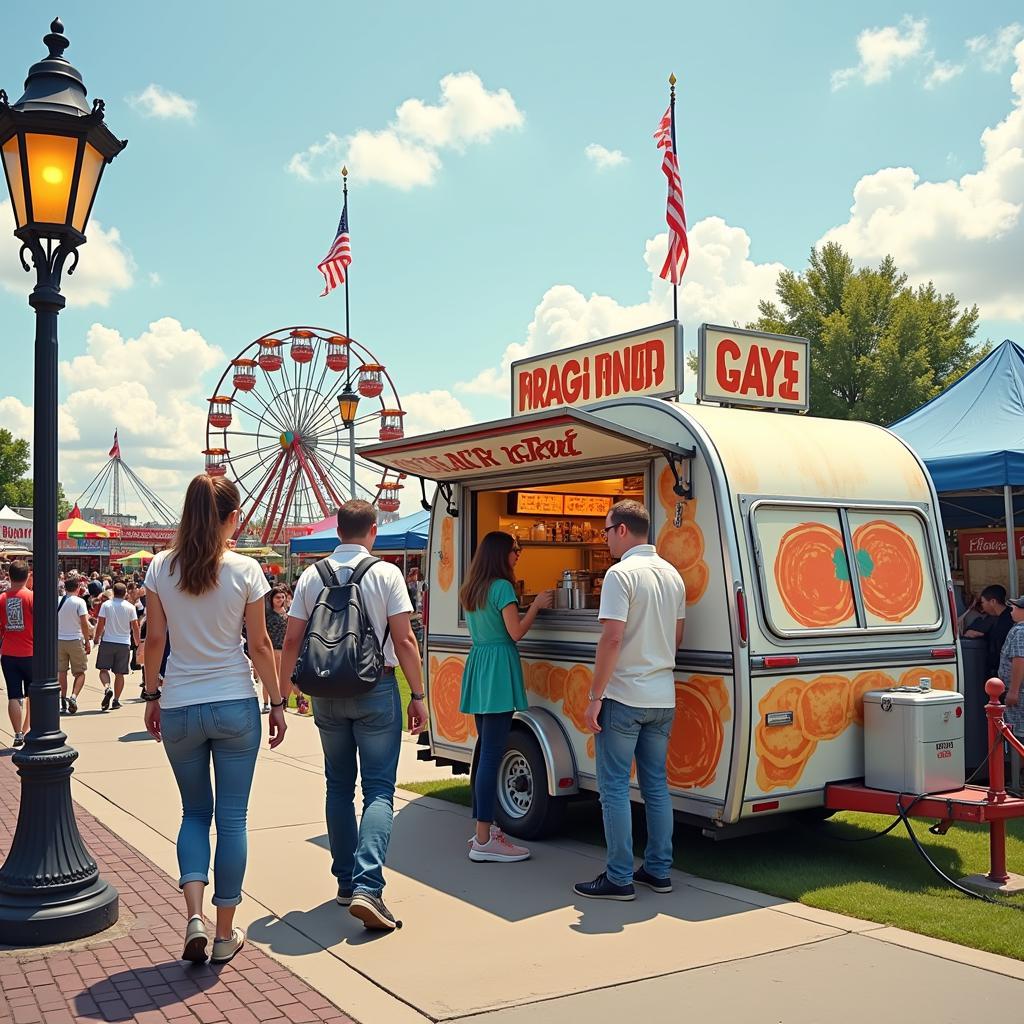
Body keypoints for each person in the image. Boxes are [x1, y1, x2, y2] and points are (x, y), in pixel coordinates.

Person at [143, 474, 286, 965]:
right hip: (233, 702)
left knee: (193, 814)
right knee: (232, 819)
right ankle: (225, 932)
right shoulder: (247, 570)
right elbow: (260, 644)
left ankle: (194, 917)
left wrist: (151, 694)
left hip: (181, 702)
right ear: (230, 518)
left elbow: (155, 642)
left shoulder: (161, 568)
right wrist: (278, 701)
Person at [281, 499, 427, 932]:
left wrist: (289, 688)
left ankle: (345, 881)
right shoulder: (386, 574)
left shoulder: (311, 575)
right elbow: (403, 641)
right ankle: (369, 885)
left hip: (326, 688)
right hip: (375, 685)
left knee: (338, 786)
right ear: (372, 532)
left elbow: (292, 638)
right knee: (379, 790)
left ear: (338, 531)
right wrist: (417, 693)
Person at [574, 500, 686, 901]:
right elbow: (676, 638)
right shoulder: (673, 576)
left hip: (624, 695)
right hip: (663, 695)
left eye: (606, 532)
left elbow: (612, 638)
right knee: (656, 786)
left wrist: (594, 695)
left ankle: (619, 876)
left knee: (615, 789)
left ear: (622, 530)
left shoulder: (621, 576)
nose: (604, 540)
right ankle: (658, 870)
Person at [459, 532, 552, 862]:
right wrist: (537, 607)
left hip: (480, 665)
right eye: (515, 550)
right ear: (501, 554)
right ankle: (485, 839)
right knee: (492, 756)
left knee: (486, 750)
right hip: (498, 668)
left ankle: (484, 832)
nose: (518, 555)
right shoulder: (502, 588)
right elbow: (516, 632)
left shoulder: (472, 589)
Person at [0, 560, 33, 747]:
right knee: (33, 694)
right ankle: (28, 730)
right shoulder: (32, 597)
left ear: (9, 576)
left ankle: (18, 733)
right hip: (30, 653)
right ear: (27, 575)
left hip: (9, 653)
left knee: (14, 695)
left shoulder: (2, 598)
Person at [94, 582, 140, 711]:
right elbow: (135, 626)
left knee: (103, 670)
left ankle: (107, 687)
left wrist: (96, 637)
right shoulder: (130, 607)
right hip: (124, 643)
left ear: (113, 592)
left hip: (108, 641)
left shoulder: (106, 605)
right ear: (125, 593)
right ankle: (116, 700)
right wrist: (137, 643)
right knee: (120, 673)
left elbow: (101, 623)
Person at [997, 596, 1024, 794]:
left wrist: (1013, 691)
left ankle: (1018, 783)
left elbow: (1019, 660)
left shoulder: (1020, 631)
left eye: (1015, 607)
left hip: (1019, 693)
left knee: (1019, 736)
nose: (1011, 610)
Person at [57, 574, 92, 715]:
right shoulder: (79, 602)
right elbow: (84, 623)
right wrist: (87, 640)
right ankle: (73, 696)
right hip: (75, 639)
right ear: (78, 588)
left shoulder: (58, 600)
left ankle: (63, 700)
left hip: (59, 640)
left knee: (62, 672)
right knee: (80, 673)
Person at [965, 584, 1014, 679]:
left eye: (983, 602)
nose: (982, 607)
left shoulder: (1009, 619)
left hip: (1007, 673)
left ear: (993, 601)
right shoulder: (994, 618)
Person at [264, 585, 290, 714]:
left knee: (281, 677)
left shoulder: (287, 613)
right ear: (272, 599)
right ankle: (265, 703)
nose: (280, 599)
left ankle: (280, 702)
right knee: (269, 676)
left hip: (283, 649)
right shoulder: (267, 614)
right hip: (271, 649)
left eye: (282, 597)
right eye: (277, 597)